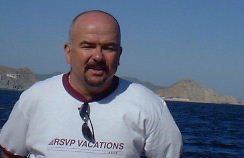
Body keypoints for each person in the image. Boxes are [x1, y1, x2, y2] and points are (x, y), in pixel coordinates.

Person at [0, 10, 183, 158]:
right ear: (68, 52)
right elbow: (10, 153)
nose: (98, 56)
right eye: (87, 46)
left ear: (119, 54)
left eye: (108, 48)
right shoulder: (34, 98)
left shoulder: (150, 107)